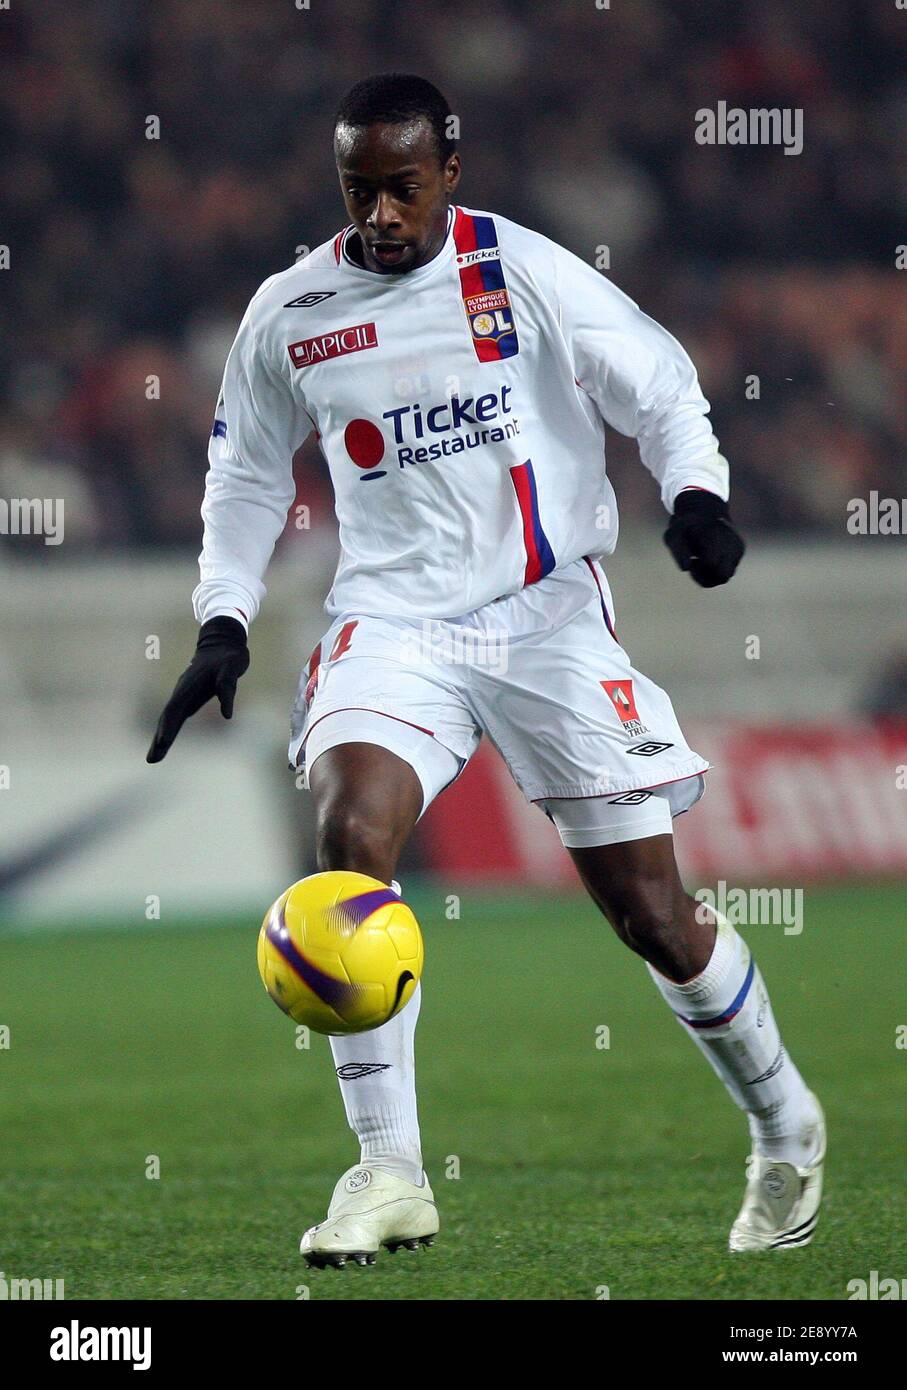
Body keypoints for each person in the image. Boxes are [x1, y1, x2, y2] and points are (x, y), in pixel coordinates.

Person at [148, 73, 824, 1266]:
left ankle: (784, 1124)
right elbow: (245, 477)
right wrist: (223, 622)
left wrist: (699, 492)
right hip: (392, 625)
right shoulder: (292, 310)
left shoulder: (522, 270)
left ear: (449, 174)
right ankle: (389, 1168)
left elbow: (656, 379)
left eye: (404, 188)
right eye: (359, 191)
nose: (382, 216)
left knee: (653, 916)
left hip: (546, 617)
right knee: (351, 836)